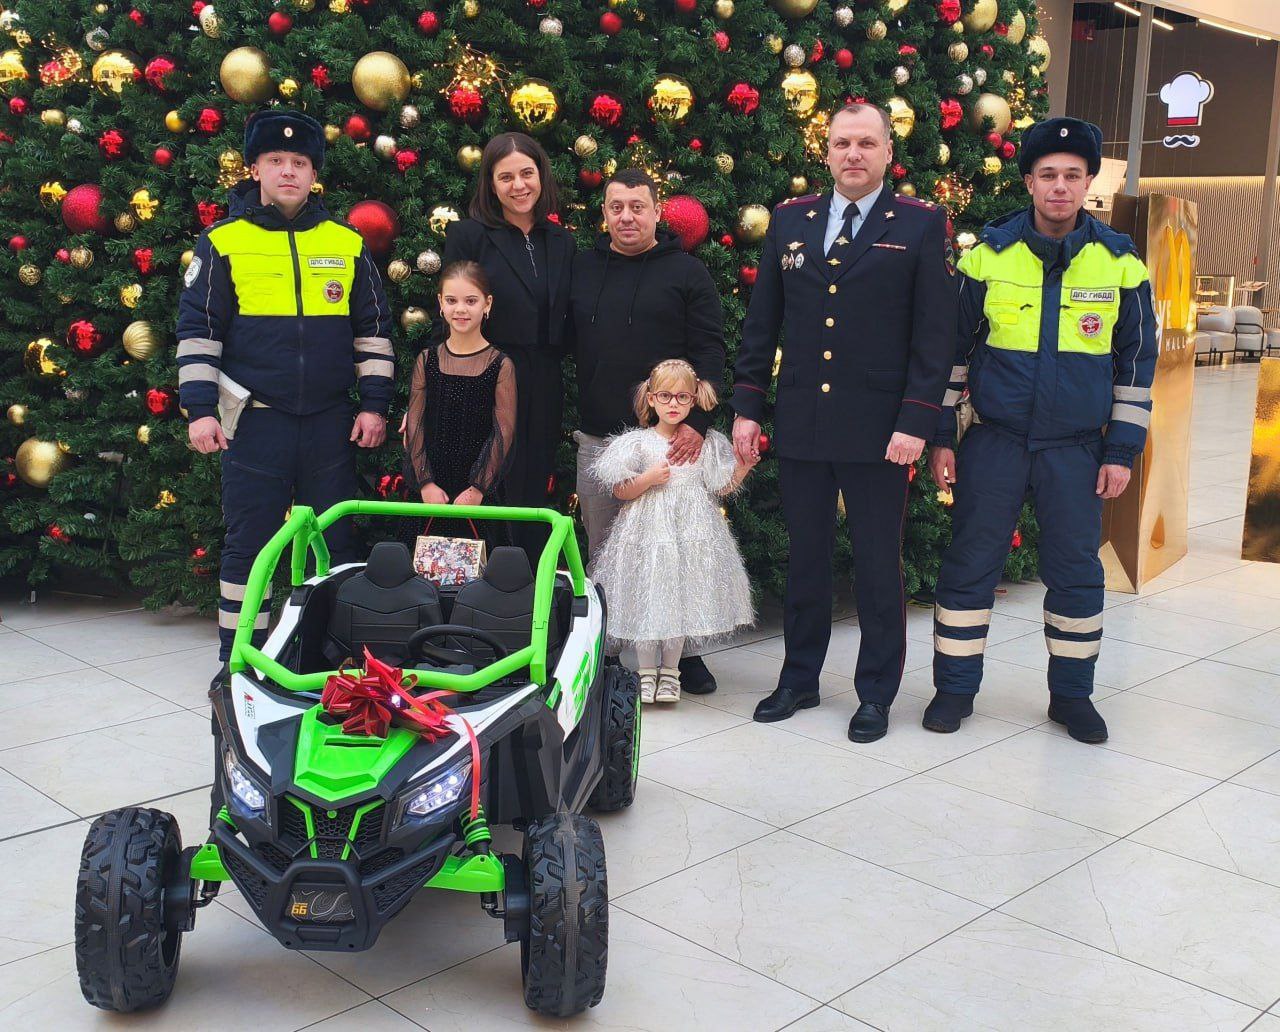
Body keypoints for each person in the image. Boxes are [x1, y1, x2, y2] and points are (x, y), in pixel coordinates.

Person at [924, 117, 1157, 744]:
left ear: (1088, 183)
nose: (1060, 186)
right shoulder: (986, 256)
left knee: (1077, 573)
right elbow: (951, 354)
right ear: (1028, 181)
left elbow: (1137, 365)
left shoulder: (1122, 264)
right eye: (1048, 174)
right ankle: (953, 691)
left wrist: (1122, 451)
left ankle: (1072, 698)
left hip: (1077, 450)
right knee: (970, 565)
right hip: (994, 441)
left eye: (1072, 176)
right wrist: (943, 435)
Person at [731, 102, 956, 743]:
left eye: (866, 143)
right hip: (804, 421)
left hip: (881, 430)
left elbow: (934, 337)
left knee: (878, 565)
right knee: (806, 559)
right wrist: (747, 407)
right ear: (826, 152)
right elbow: (762, 323)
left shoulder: (920, 223)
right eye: (841, 143)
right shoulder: (790, 220)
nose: (853, 154)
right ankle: (799, 678)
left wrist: (917, 421)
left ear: (888, 152)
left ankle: (876, 693)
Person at [176, 108, 394, 684]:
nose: (288, 171)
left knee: (334, 542)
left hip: (329, 423)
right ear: (255, 168)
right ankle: (237, 659)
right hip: (255, 422)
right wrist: (200, 411)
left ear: (314, 173)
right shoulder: (222, 242)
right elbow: (198, 333)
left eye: (299, 162)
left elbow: (373, 332)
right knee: (248, 544)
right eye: (276, 160)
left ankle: (332, 657)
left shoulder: (346, 243)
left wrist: (374, 405)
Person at [570, 167, 726, 695]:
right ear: (605, 213)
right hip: (600, 439)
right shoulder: (583, 268)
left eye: (637, 206)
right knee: (605, 549)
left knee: (678, 552)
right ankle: (608, 650)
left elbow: (710, 350)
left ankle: (687, 655)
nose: (627, 217)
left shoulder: (687, 273)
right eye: (616, 207)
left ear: (658, 211)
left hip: (669, 442)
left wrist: (698, 424)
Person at [439, 132, 574, 559]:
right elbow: (454, 311)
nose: (519, 185)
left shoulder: (562, 242)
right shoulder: (469, 236)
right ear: (491, 184)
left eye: (527, 173)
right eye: (506, 177)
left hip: (543, 380)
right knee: (480, 480)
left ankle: (527, 581)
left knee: (532, 483)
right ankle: (476, 586)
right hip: (483, 374)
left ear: (541, 176)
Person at [590, 359, 756, 704]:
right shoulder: (637, 443)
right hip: (647, 535)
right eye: (665, 396)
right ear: (651, 399)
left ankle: (671, 673)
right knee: (650, 596)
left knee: (678, 598)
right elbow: (620, 490)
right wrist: (648, 479)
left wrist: (742, 467)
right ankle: (646, 673)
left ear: (694, 400)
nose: (673, 404)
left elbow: (722, 487)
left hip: (690, 533)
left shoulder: (705, 443)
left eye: (682, 397)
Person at [402, 260, 516, 551]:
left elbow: (504, 431)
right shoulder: (427, 360)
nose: (461, 309)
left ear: (487, 304)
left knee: (482, 569)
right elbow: (415, 423)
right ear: (440, 302)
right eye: (452, 300)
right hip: (431, 491)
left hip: (479, 492)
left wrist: (478, 487)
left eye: (471, 301)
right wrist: (425, 483)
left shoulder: (500, 365)